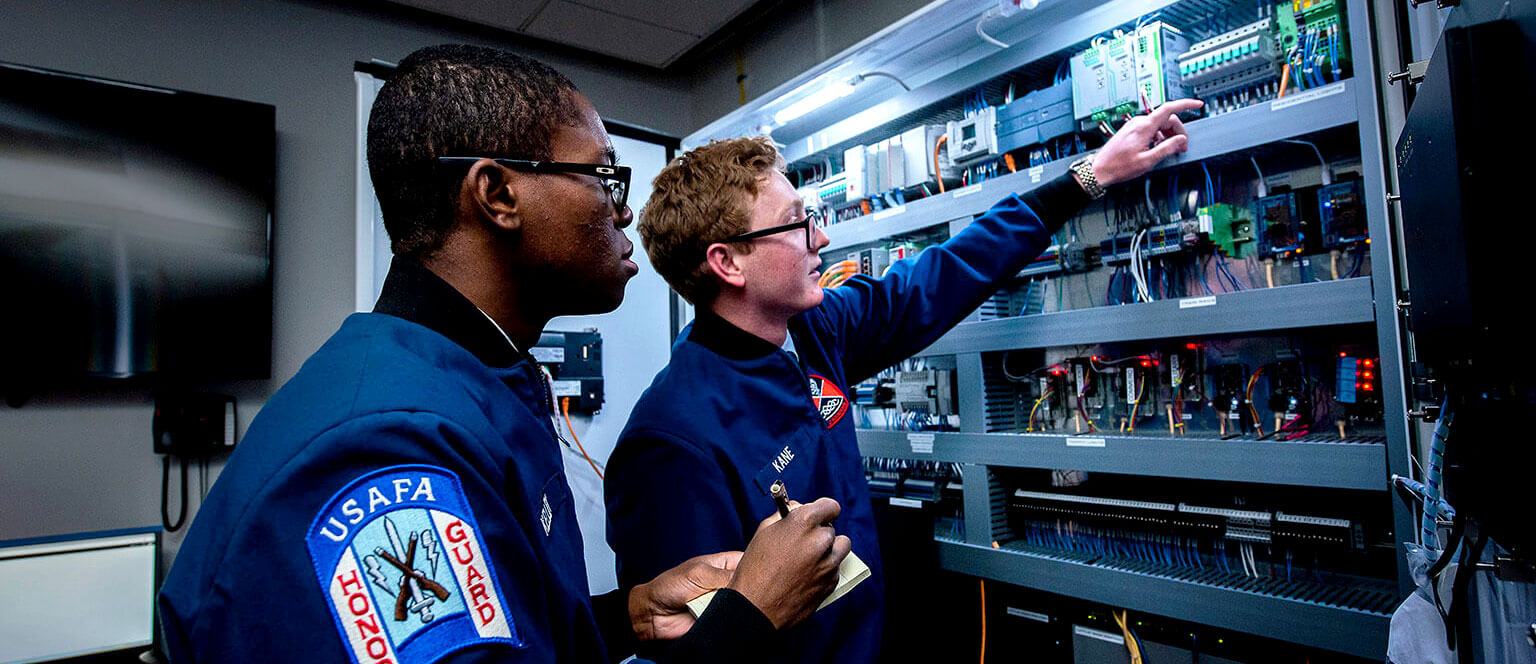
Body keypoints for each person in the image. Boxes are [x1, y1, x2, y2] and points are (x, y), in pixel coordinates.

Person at [157, 44, 851, 664]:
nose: (623, 212)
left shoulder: (483, 380)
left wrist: (620, 621)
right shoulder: (385, 452)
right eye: (605, 179)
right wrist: (748, 620)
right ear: (497, 195)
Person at [605, 99, 1204, 663]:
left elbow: (945, 274)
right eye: (795, 225)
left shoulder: (815, 330)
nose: (822, 237)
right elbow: (695, 646)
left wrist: (1091, 175)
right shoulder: (673, 443)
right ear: (727, 262)